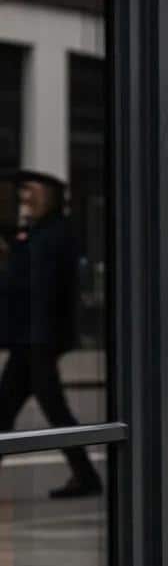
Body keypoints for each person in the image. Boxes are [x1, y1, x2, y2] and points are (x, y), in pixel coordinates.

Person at [0, 170, 102, 497]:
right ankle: (86, 476)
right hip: (32, 339)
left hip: (37, 340)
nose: (26, 198)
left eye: (32, 191)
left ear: (50, 196)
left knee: (41, 410)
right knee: (14, 409)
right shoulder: (40, 232)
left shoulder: (53, 234)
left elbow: (37, 288)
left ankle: (87, 477)